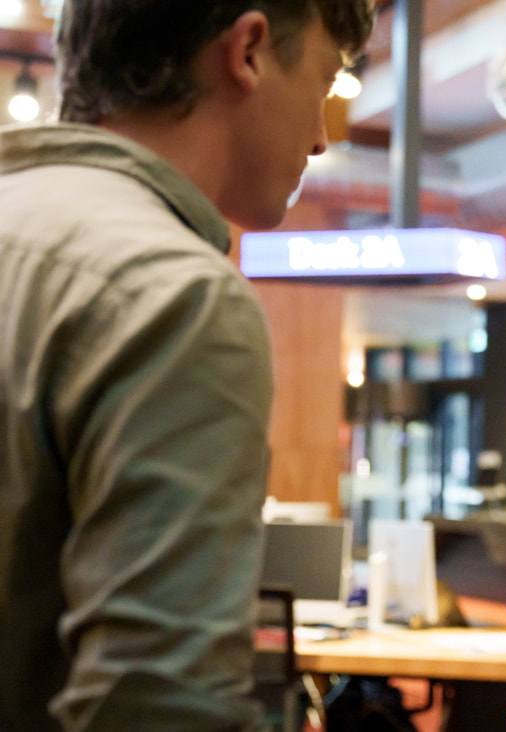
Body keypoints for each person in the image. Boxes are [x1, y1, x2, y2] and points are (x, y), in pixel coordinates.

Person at [0, 1, 374, 729]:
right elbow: (154, 709)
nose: (324, 138)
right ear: (250, 51)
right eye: (325, 83)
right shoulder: (175, 297)